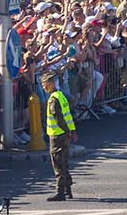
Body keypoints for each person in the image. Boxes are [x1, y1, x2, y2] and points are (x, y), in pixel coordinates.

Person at [42, 72, 76, 201]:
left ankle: (60, 191)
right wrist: (72, 131)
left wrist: (66, 131)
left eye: (44, 85)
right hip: (65, 134)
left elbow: (58, 118)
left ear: (50, 84)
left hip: (57, 135)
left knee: (58, 163)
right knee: (64, 162)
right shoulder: (60, 96)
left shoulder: (53, 99)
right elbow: (68, 115)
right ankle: (68, 190)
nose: (44, 87)